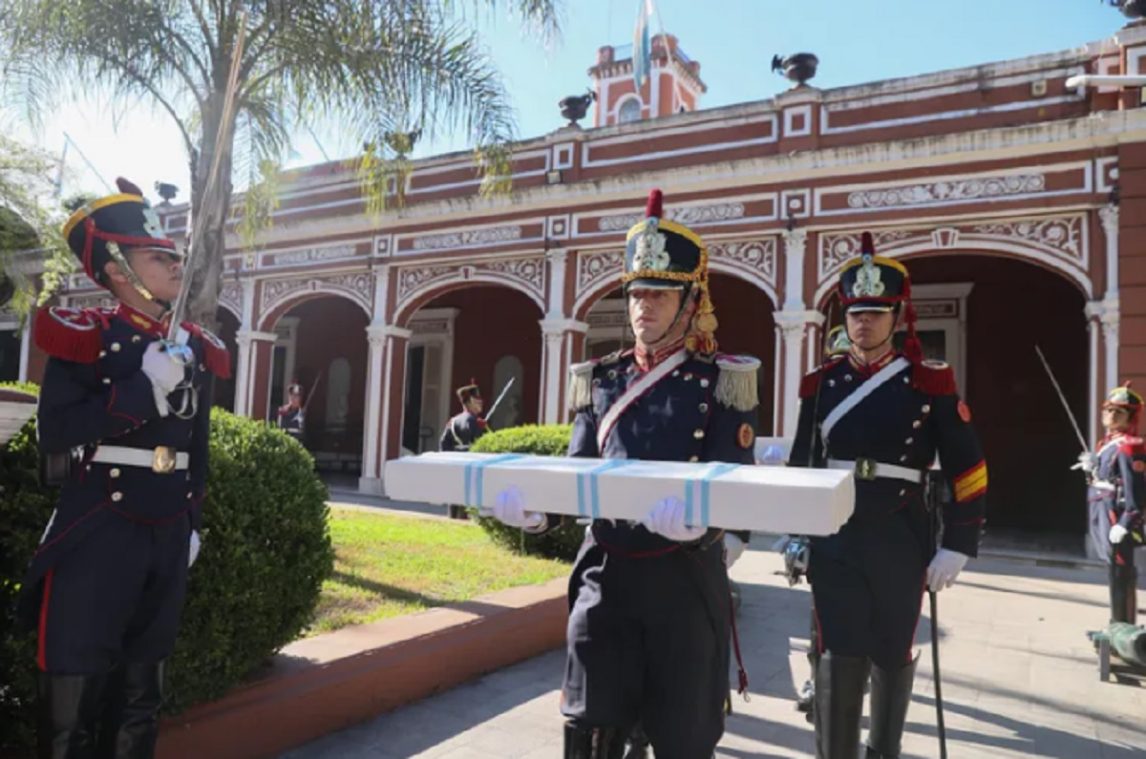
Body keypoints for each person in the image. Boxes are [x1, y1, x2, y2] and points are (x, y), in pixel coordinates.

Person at [486, 189, 760, 758]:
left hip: (683, 579)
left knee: (683, 739)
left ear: (691, 302)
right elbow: (578, 473)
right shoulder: (601, 379)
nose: (643, 307)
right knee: (588, 726)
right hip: (607, 575)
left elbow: (736, 482)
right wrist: (538, 513)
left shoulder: (721, 381)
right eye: (636, 293)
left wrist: (707, 528)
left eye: (659, 294)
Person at [18, 178, 230, 758]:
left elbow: (196, 448)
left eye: (174, 256)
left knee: (143, 690)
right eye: (158, 258)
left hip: (167, 529)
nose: (176, 266)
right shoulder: (88, 336)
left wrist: (190, 519)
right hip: (99, 524)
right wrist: (144, 389)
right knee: (75, 678)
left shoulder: (193, 345)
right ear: (116, 270)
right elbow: (57, 432)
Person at [789, 232, 987, 759]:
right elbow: (802, 464)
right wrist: (795, 534)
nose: (864, 322)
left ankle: (884, 751)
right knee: (837, 648)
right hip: (834, 535)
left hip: (901, 534)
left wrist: (958, 544)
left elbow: (968, 468)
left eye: (876, 312)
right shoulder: (821, 384)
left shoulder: (929, 382)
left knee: (892, 648)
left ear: (898, 317)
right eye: (856, 312)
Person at [1078, 382, 1145, 624]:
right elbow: (1105, 480)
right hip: (1101, 512)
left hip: (1115, 515)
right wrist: (1091, 468)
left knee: (1121, 571)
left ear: (1130, 417)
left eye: (1119, 411)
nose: (1111, 415)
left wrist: (1125, 523)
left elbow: (1135, 491)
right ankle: (1116, 621)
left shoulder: (1130, 446)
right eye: (1108, 410)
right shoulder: (1107, 444)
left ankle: (1124, 625)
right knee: (1112, 569)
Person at [440, 381, 489, 519]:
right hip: (472, 469)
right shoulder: (474, 422)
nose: (481, 402)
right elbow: (482, 446)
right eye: (477, 399)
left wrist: (451, 459)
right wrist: (483, 429)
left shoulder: (453, 421)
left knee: (454, 501)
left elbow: (443, 443)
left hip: (455, 466)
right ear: (469, 401)